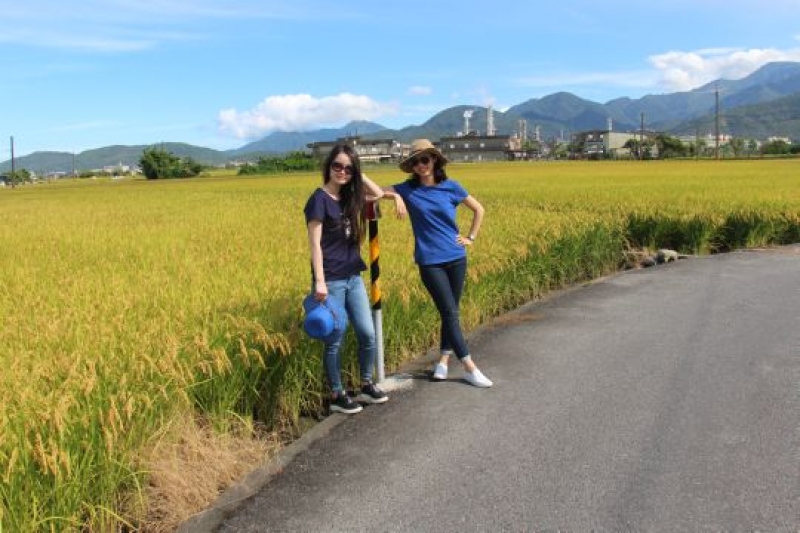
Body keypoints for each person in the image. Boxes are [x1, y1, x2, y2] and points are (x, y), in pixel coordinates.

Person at [383, 139, 492, 388]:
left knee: (449, 312)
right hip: (430, 261)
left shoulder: (451, 187)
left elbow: (479, 210)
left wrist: (470, 238)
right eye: (415, 162)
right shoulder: (408, 190)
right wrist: (395, 196)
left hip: (456, 257)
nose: (421, 165)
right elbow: (373, 192)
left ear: (434, 160)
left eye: (425, 159)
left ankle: (442, 361)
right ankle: (469, 367)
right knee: (450, 312)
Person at [304, 143, 395, 414]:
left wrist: (359, 173)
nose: (342, 172)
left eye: (348, 168)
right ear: (328, 166)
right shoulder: (318, 200)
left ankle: (366, 383)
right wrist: (320, 281)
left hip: (353, 277)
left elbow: (378, 194)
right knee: (335, 338)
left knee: (367, 333)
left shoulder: (349, 197)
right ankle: (336, 393)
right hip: (331, 280)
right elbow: (315, 245)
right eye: (337, 166)